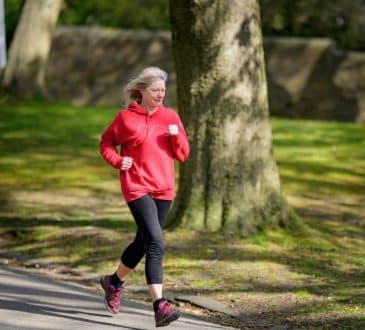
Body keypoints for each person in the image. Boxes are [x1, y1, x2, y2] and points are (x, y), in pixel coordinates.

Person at [98, 66, 190, 327]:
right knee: (156, 243)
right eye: (155, 90)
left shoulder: (170, 117)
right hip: (137, 186)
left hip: (164, 188)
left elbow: (183, 155)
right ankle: (159, 305)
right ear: (141, 91)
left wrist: (176, 137)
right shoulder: (125, 118)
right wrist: (117, 160)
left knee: (143, 241)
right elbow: (105, 142)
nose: (160, 94)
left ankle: (113, 282)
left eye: (163, 90)